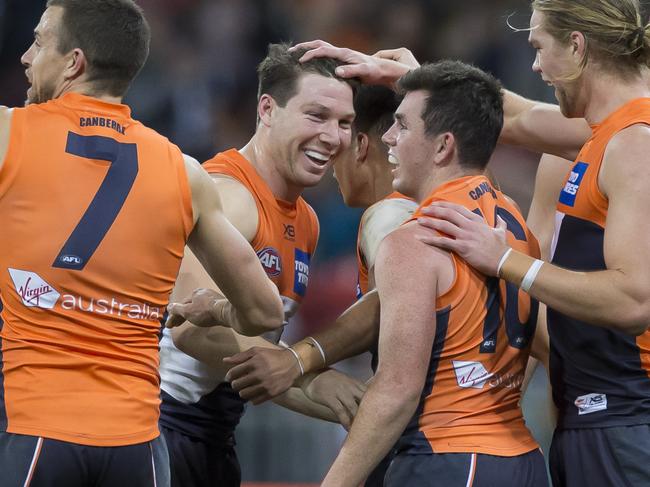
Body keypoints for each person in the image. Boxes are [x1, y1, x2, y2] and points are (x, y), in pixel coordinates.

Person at [0, 1, 284, 486]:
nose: (26, 57)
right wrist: (213, 310)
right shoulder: (183, 171)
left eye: (39, 41)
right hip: (138, 448)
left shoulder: (9, 135)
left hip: (39, 429)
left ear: (74, 62)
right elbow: (265, 312)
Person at [321, 60, 547, 486]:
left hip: (446, 457)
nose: (388, 136)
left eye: (402, 126)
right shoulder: (513, 224)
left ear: (443, 147)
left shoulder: (416, 240)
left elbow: (396, 391)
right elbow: (540, 343)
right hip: (522, 457)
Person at [157, 43, 366, 487]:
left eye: (344, 123)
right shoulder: (229, 196)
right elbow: (189, 331)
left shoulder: (306, 219)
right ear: (267, 110)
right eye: (316, 115)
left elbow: (261, 372)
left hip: (213, 434)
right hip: (160, 428)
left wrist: (348, 401)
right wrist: (308, 374)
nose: (333, 136)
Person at [223, 84, 414, 486]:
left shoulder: (389, 216)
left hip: (427, 441)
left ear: (362, 145)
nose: (330, 156)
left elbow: (393, 300)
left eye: (343, 130)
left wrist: (301, 361)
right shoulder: (470, 210)